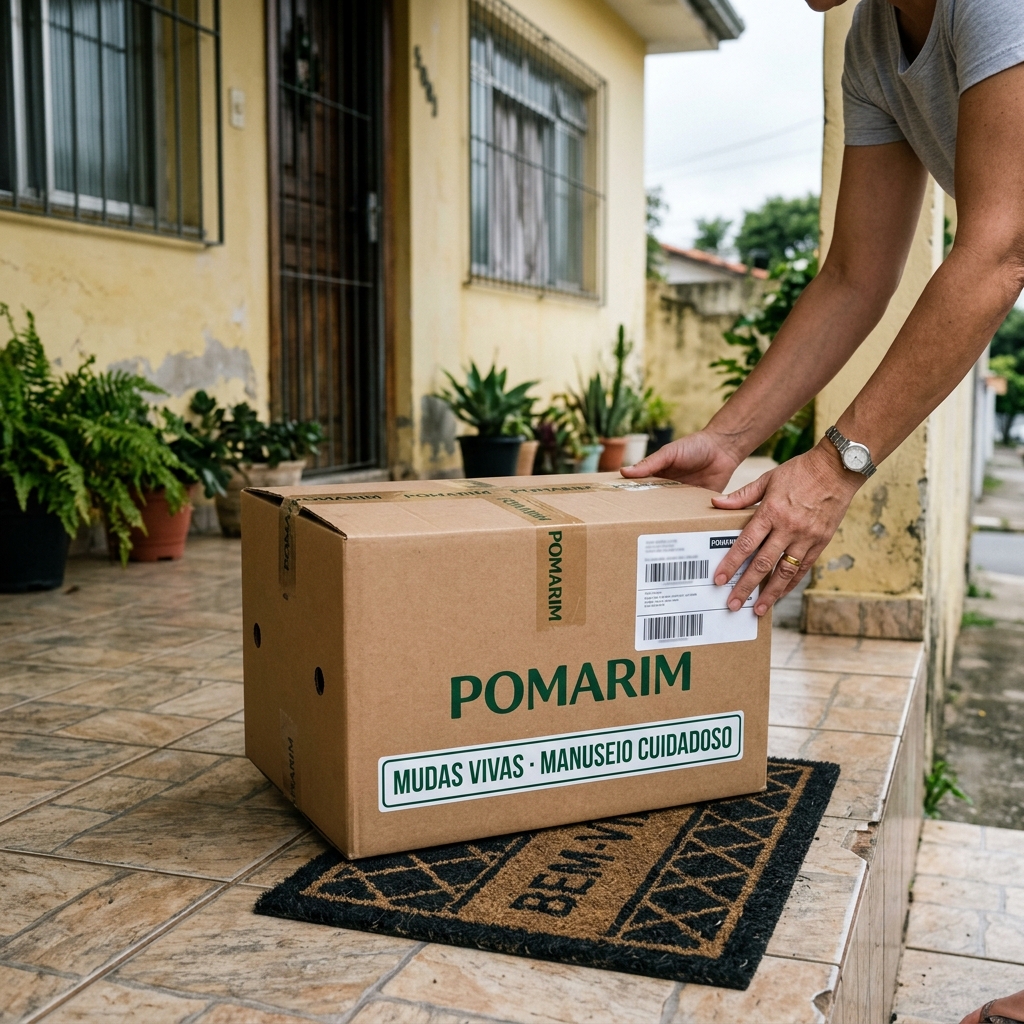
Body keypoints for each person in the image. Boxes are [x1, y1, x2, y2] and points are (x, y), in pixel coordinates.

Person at [624, 2, 1024, 1021]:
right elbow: (855, 273)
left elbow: (997, 248)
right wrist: (733, 434)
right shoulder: (870, 45)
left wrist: (835, 465)